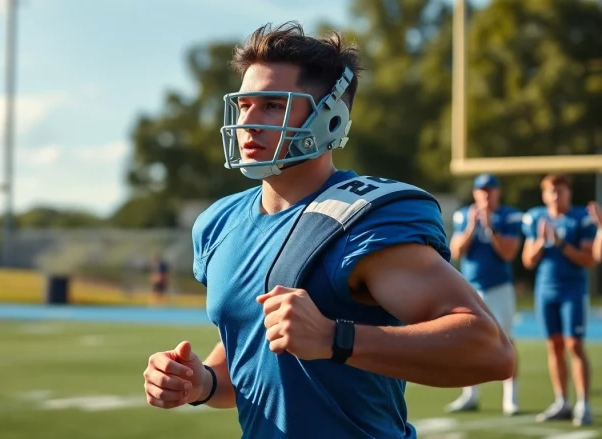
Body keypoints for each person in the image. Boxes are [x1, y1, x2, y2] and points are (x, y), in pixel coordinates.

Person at [142, 22, 514, 438]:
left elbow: (491, 351)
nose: (248, 121)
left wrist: (336, 338)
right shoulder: (219, 222)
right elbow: (255, 355)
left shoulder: (366, 218)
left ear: (330, 117)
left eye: (272, 105)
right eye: (245, 104)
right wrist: (203, 381)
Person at [522, 174, 597, 427]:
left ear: (568, 193)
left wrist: (561, 244)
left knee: (574, 345)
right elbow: (528, 261)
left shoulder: (580, 219)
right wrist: (543, 241)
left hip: (572, 290)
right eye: (551, 191)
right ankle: (561, 400)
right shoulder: (536, 218)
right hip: (545, 289)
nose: (556, 195)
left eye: (560, 191)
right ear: (544, 194)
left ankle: (583, 403)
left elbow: (589, 260)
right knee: (553, 347)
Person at [446, 173, 522, 416]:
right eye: (481, 190)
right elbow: (455, 250)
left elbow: (509, 253)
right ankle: (470, 394)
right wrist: (471, 226)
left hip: (499, 286)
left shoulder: (508, 216)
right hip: (471, 287)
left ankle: (511, 396)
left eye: (490, 189)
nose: (485, 194)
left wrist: (491, 228)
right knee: (468, 341)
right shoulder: (464, 215)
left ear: (497, 192)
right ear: (475, 193)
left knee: (506, 339)